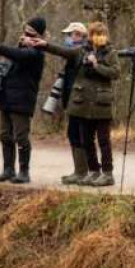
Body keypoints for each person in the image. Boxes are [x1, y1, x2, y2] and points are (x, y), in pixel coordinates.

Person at [31, 22, 119, 186]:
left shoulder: (111, 53)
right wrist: (45, 45)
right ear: (90, 36)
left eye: (101, 34)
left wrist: (97, 65)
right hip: (83, 103)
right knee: (86, 139)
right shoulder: (81, 51)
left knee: (104, 140)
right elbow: (63, 51)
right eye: (95, 34)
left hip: (101, 104)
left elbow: (115, 73)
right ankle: (93, 171)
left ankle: (108, 173)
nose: (98, 37)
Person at [0, 16, 46, 184]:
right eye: (25, 31)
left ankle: (24, 172)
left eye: (31, 33)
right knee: (5, 135)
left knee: (21, 137)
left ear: (39, 36)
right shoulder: (21, 50)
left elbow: (17, 54)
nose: (26, 35)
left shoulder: (36, 53)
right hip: (7, 98)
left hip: (23, 100)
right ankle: (8, 169)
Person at [56, 22, 88, 184]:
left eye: (73, 34)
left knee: (79, 134)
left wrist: (43, 44)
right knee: (73, 134)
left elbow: (60, 51)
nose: (69, 37)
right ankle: (79, 171)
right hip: (71, 100)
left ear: (81, 35)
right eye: (69, 34)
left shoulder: (81, 52)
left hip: (80, 102)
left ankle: (83, 172)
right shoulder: (72, 54)